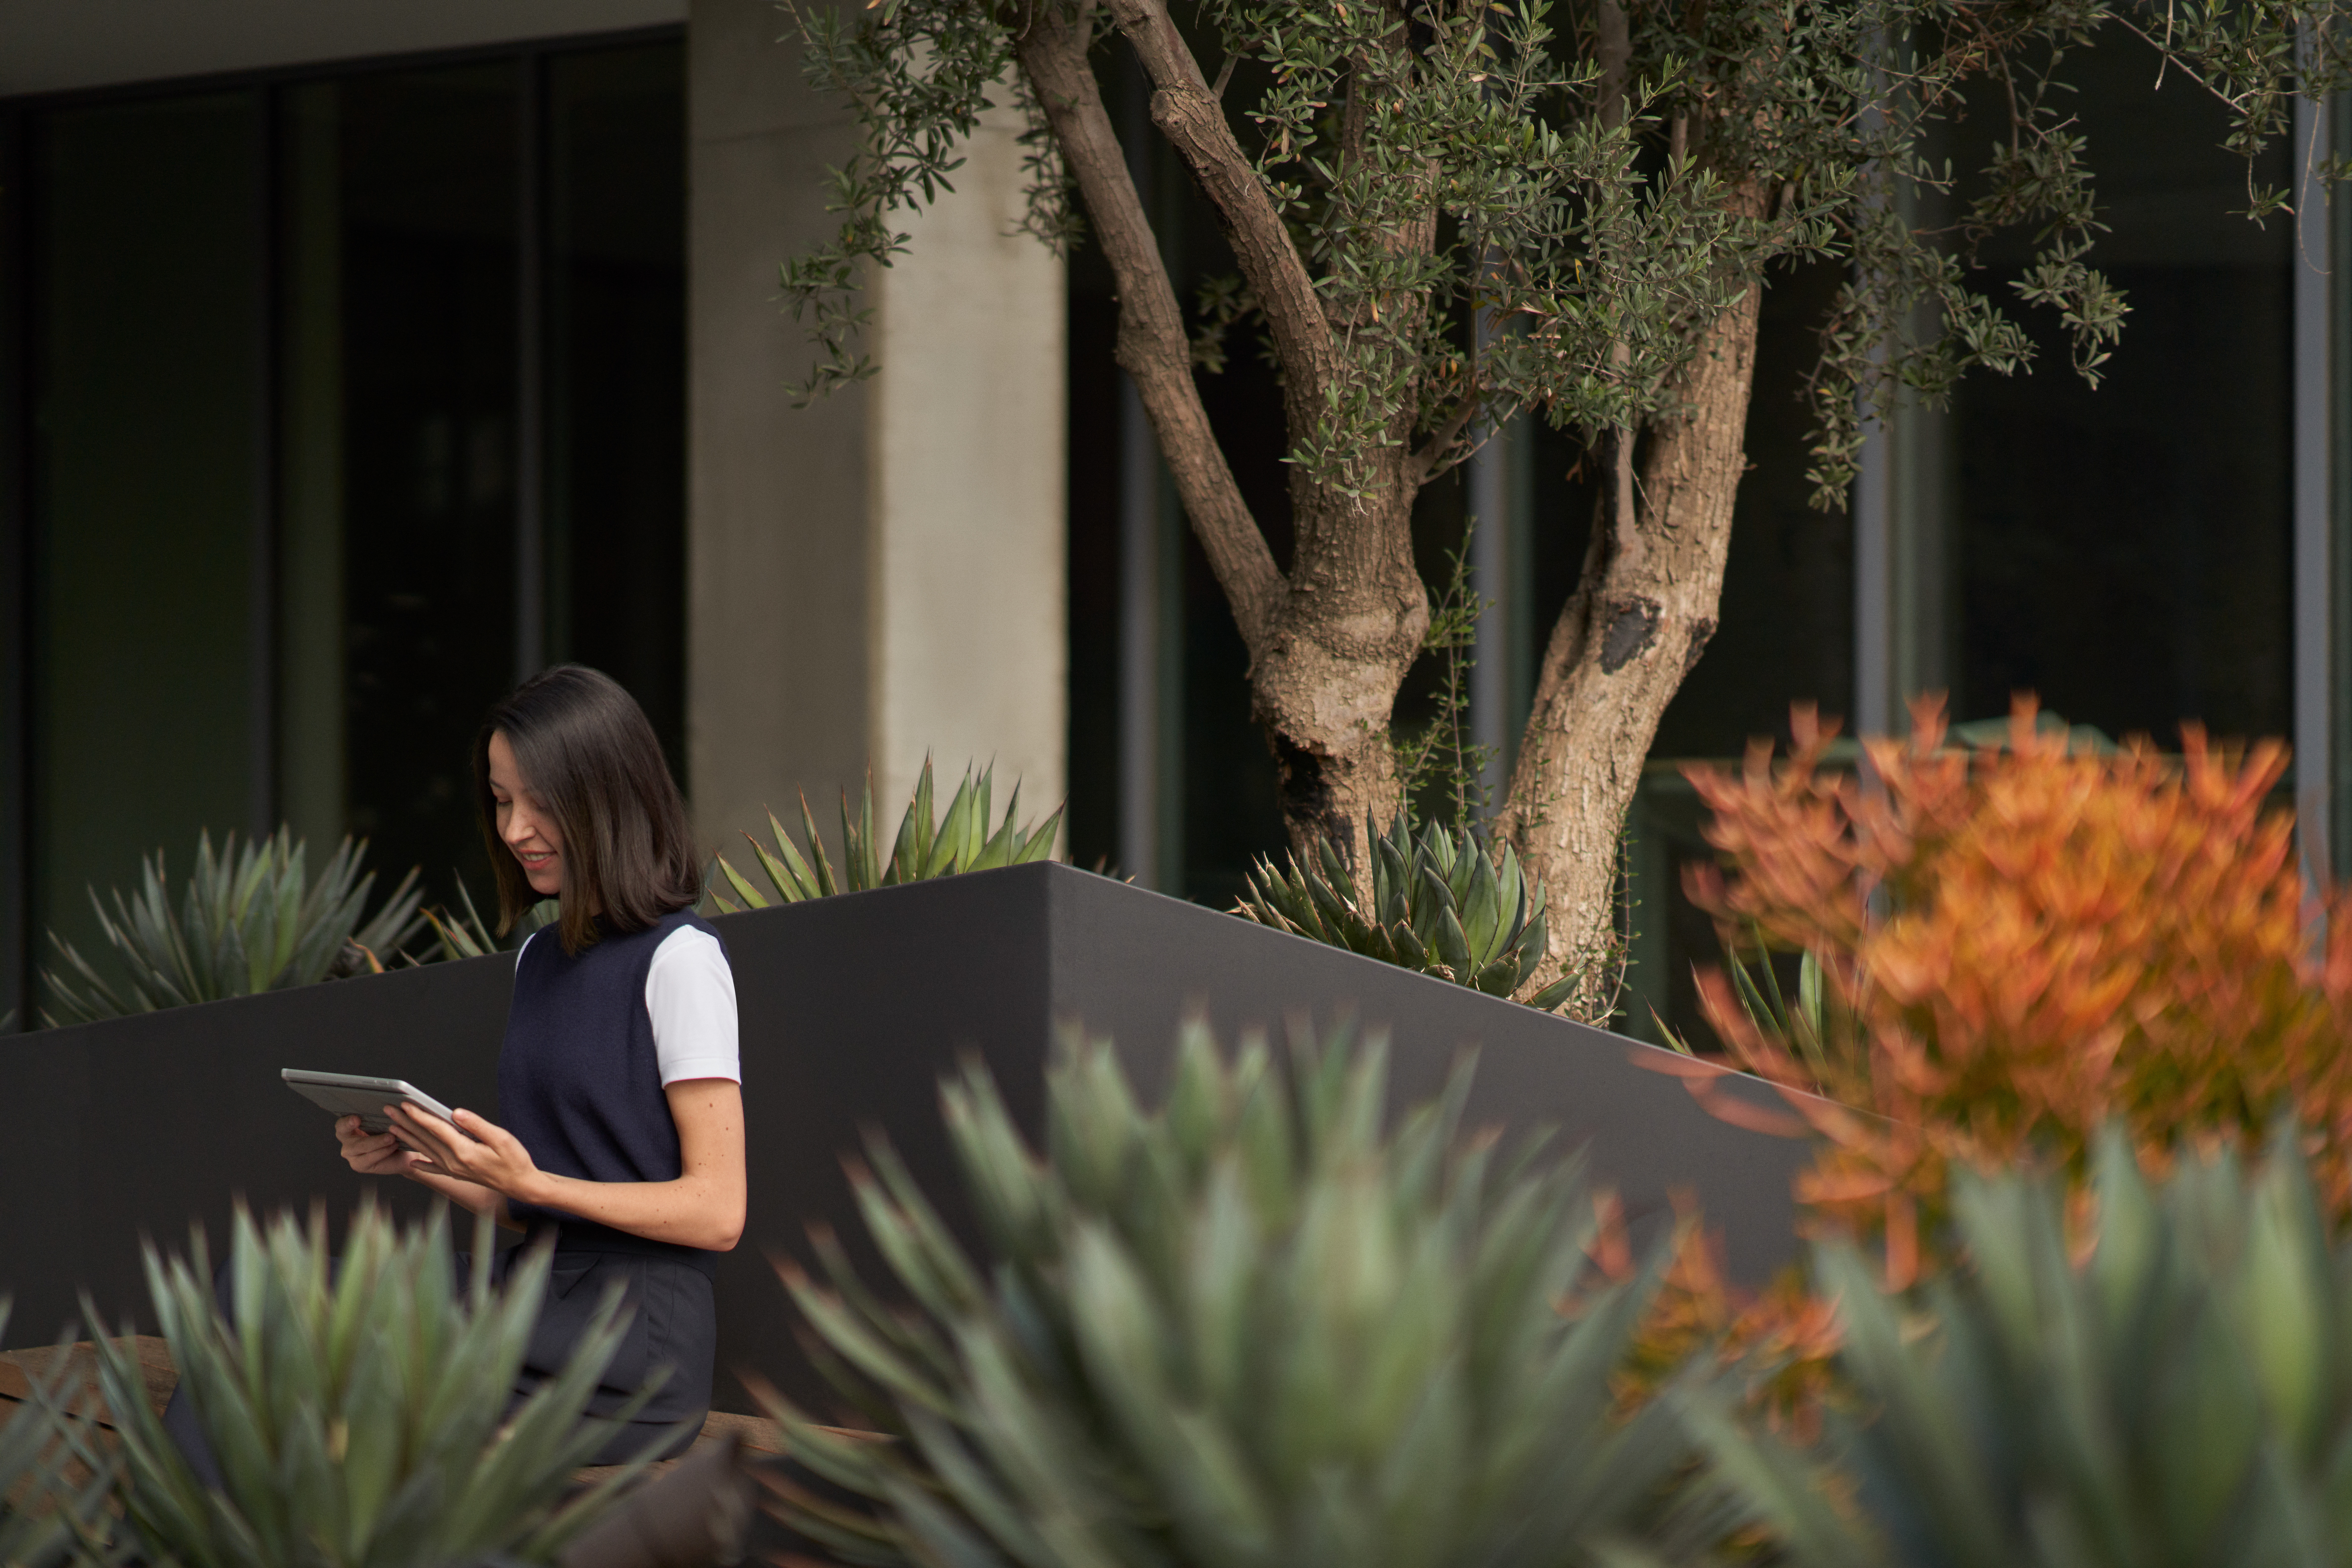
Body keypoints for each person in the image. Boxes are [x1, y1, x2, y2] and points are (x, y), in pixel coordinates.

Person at [162, 665, 745, 1475]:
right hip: (536, 1292)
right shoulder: (538, 959)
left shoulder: (682, 962)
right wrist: (425, 1160)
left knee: (274, 1306)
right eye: (503, 801)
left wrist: (536, 1185)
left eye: (539, 801)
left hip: (633, 1343)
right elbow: (536, 1211)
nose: (514, 829)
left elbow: (718, 1212)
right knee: (260, 1285)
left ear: (605, 795)